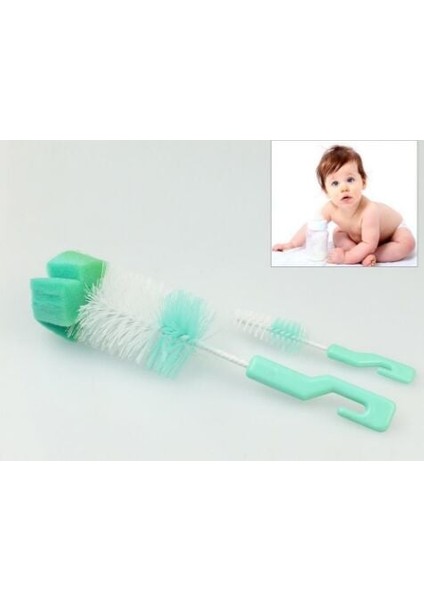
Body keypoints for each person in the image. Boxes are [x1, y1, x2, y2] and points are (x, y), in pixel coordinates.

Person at [272, 145, 416, 266]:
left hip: (392, 232)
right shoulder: (330, 208)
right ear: (326, 191)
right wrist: (292, 244)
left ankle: (367, 255)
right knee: (338, 234)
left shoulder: (369, 210)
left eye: (350, 180)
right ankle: (360, 253)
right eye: (335, 183)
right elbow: (312, 226)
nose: (344, 188)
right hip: (360, 238)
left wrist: (346, 258)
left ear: (363, 182)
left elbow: (369, 243)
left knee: (407, 243)